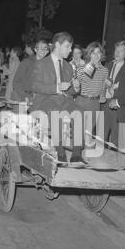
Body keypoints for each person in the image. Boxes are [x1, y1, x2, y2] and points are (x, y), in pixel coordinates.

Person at [31, 31, 83, 163]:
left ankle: (77, 154)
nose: (70, 50)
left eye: (71, 47)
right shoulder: (41, 64)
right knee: (55, 112)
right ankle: (60, 152)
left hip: (63, 100)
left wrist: (75, 88)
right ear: (57, 45)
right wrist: (57, 87)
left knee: (79, 112)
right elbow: (35, 85)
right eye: (67, 46)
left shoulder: (68, 67)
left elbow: (70, 91)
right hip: (45, 100)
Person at [75, 42, 108, 151]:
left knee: (88, 134)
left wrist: (102, 96)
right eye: (93, 53)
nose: (96, 55)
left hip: (95, 103)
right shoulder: (82, 67)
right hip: (82, 101)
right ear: (89, 54)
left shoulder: (104, 70)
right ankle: (76, 155)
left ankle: (84, 156)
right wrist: (92, 64)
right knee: (78, 132)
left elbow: (103, 87)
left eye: (99, 53)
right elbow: (82, 78)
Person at [103, 41, 125, 147]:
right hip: (103, 103)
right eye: (116, 50)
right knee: (101, 134)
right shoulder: (107, 66)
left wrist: (113, 88)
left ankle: (113, 160)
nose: (117, 53)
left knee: (115, 136)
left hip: (116, 105)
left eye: (121, 51)